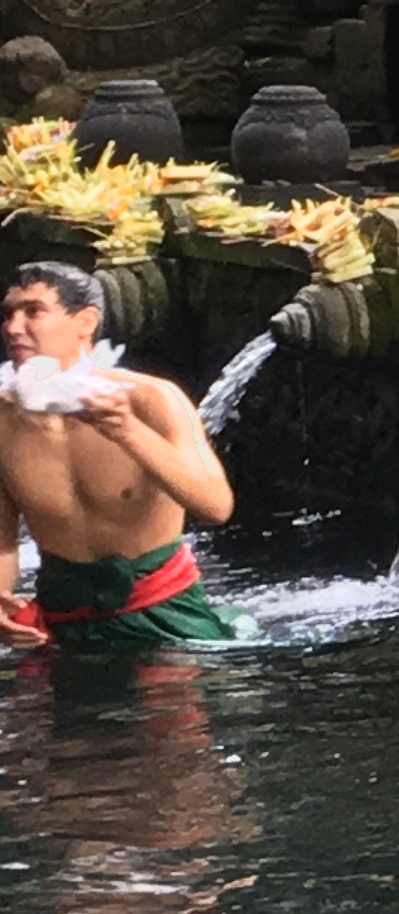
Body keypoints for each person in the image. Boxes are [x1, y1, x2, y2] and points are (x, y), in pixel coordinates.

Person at [0, 260, 250, 651]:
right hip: (61, 621)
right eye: (9, 314)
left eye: (33, 312)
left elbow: (216, 506)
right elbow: (2, 536)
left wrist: (127, 431)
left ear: (85, 322)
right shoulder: (3, 419)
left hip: (164, 616)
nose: (13, 328)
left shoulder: (153, 400)